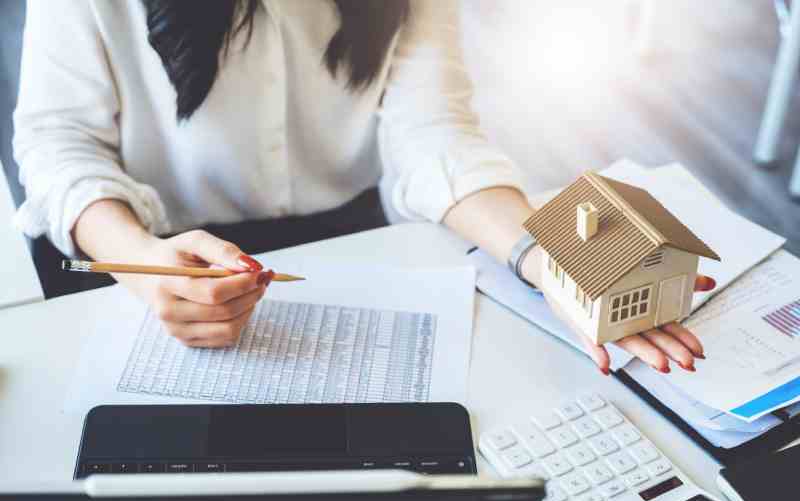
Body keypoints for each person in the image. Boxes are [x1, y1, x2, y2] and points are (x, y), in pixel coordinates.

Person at [13, 0, 715, 374]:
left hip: (344, 230)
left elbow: (434, 135)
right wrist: (139, 262)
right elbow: (56, 143)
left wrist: (547, 260)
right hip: (143, 246)